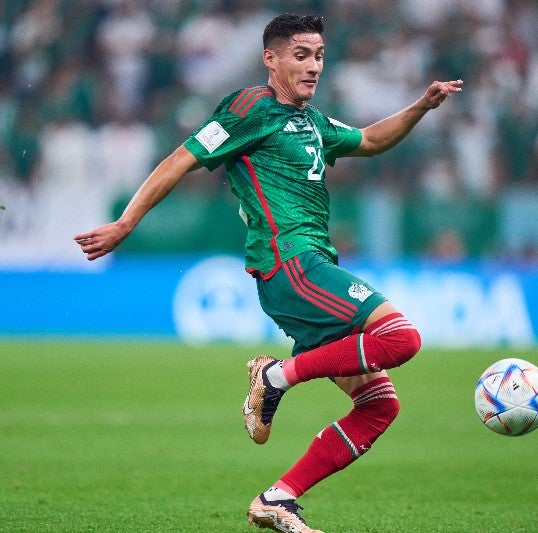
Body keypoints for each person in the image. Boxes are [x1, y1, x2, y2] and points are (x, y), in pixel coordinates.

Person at [74, 13, 462, 533]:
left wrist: (419, 107)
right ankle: (274, 376)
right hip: (291, 264)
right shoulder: (250, 107)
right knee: (401, 338)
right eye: (301, 55)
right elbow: (181, 158)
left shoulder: (313, 121)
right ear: (270, 59)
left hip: (311, 268)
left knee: (378, 407)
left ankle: (277, 498)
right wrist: (127, 222)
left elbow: (370, 140)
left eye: (319, 55)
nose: (314, 66)